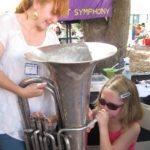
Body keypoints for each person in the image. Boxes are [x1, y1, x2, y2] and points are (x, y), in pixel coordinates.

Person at [0, 0, 69, 149]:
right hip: (10, 123)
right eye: (53, 12)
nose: (55, 20)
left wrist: (79, 104)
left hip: (45, 125)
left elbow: (58, 79)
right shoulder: (6, 24)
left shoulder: (52, 37)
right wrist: (20, 91)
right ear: (37, 3)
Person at [92, 74, 143, 150]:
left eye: (112, 106)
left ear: (126, 107)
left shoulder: (133, 127)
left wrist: (103, 126)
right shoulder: (102, 110)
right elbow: (87, 116)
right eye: (102, 101)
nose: (104, 108)